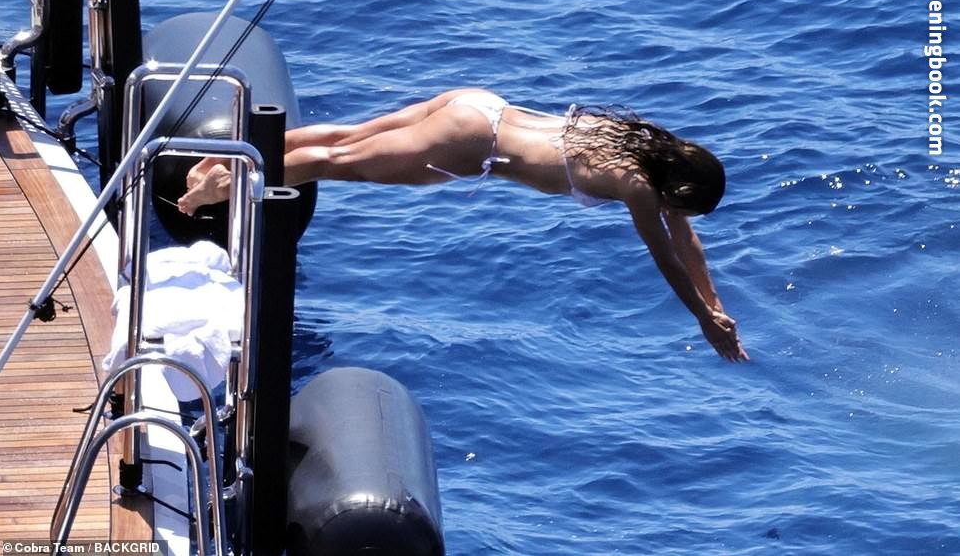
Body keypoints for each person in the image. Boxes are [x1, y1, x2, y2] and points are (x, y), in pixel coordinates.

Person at [178, 88, 749, 362]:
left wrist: (716, 307)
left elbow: (684, 239)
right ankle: (220, 184)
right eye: (683, 206)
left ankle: (229, 152)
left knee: (349, 137)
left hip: (480, 104)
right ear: (676, 191)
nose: (679, 217)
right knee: (339, 163)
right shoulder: (638, 186)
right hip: (472, 144)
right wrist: (702, 319)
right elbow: (666, 257)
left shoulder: (635, 142)